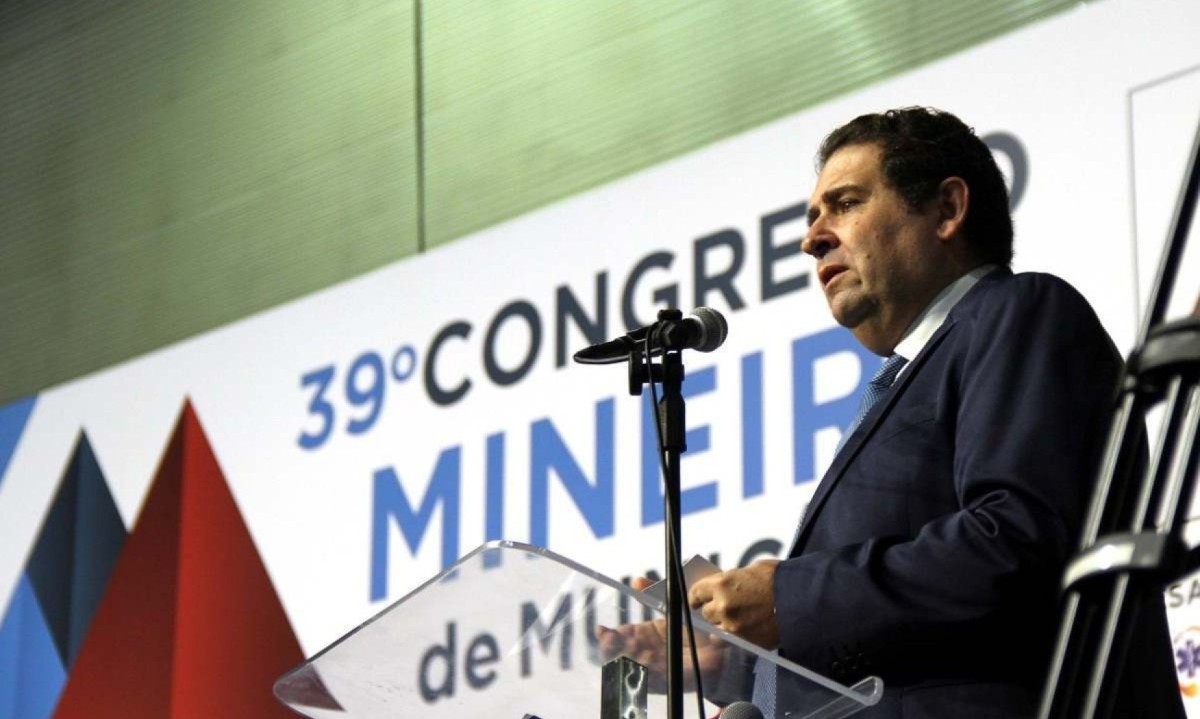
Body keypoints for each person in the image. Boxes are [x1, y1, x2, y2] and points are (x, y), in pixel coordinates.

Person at [611, 108, 1184, 718]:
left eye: (847, 203)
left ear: (947, 210)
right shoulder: (904, 380)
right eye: (812, 218)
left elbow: (1018, 542)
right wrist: (734, 660)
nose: (813, 238)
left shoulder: (1018, 312)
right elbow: (902, 635)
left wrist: (787, 598)